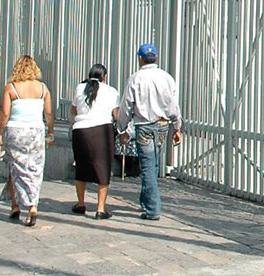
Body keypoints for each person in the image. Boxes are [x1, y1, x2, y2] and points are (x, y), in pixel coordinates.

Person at [117, 44, 182, 220]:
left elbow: (127, 105)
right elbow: (173, 105)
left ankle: (153, 208)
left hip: (144, 125)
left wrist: (121, 127)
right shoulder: (166, 78)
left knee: (147, 167)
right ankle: (146, 201)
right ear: (156, 57)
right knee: (152, 164)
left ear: (140, 58)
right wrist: (177, 126)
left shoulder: (135, 78)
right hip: (162, 125)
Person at [0, 55, 54, 226]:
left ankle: (15, 205)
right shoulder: (43, 88)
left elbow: (4, 114)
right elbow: (48, 113)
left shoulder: (11, 88)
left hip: (15, 131)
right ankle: (32, 206)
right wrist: (51, 131)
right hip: (36, 132)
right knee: (34, 169)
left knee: (15, 167)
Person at [70, 64, 119, 219]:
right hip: (102, 131)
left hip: (80, 131)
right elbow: (116, 114)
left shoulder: (79, 88)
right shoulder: (111, 91)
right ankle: (100, 209)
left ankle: (80, 203)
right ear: (104, 77)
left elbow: (73, 110)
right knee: (103, 168)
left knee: (81, 167)